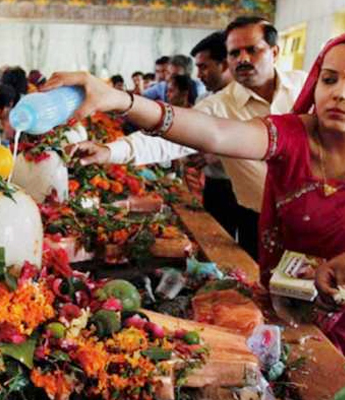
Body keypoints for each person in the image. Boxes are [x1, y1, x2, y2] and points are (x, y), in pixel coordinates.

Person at [45, 28, 345, 367]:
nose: (340, 93)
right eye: (329, 79)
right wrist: (120, 100)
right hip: (295, 308)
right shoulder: (293, 134)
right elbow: (214, 133)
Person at [68, 17, 307, 259]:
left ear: (274, 52)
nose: (243, 59)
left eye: (252, 50)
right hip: (260, 222)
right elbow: (169, 137)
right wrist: (109, 151)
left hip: (322, 216)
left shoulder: (306, 88)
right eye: (234, 53)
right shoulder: (218, 107)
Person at [188, 31, 237, 237]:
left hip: (240, 187)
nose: (199, 75)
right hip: (214, 185)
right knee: (214, 239)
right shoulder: (203, 100)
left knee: (247, 250)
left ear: (224, 65)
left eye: (203, 67)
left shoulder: (244, 100)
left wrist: (215, 155)